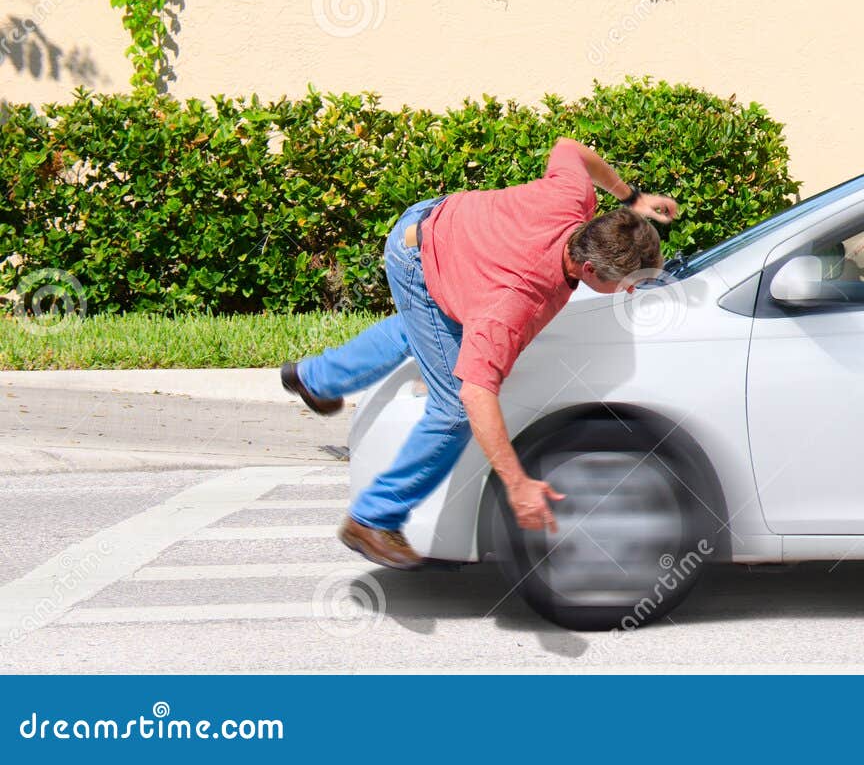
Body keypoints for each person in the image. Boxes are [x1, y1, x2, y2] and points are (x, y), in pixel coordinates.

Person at [279, 137, 678, 570]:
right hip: (419, 256)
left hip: (443, 224)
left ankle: (315, 378)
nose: (633, 290)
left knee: (424, 330)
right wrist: (518, 484)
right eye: (627, 283)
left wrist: (632, 197)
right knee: (450, 406)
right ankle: (373, 518)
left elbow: (567, 148)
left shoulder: (573, 200)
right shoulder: (512, 303)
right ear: (588, 269)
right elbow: (475, 394)